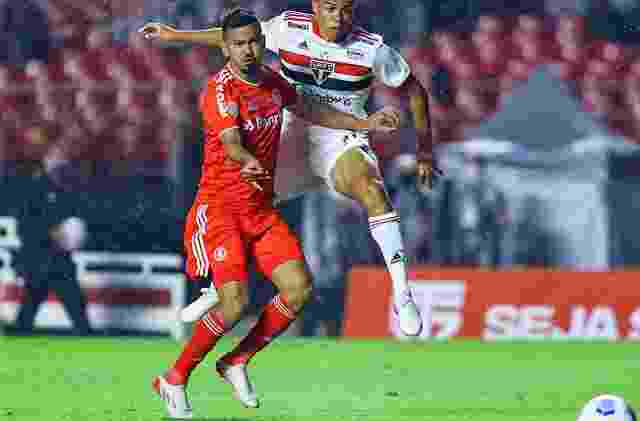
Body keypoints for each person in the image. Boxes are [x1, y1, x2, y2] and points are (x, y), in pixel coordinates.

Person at [139, 0, 441, 337]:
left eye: (345, 9)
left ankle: (402, 294)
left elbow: (414, 88)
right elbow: (234, 36)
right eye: (330, 8)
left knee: (373, 192)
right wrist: (176, 34)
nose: (338, 17)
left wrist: (425, 150)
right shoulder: (288, 27)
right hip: (286, 133)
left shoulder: (371, 49)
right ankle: (216, 285)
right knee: (238, 204)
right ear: (315, 6)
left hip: (340, 135)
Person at [151, 11, 400, 418]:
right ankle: (174, 378)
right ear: (226, 48)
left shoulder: (271, 82)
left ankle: (235, 360)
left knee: (299, 289)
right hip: (221, 211)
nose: (248, 49)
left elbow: (310, 109)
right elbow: (230, 139)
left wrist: (364, 122)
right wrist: (246, 159)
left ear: (262, 43)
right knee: (235, 303)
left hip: (260, 212)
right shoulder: (219, 90)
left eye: (254, 42)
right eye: (239, 44)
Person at [10, 127, 92, 336]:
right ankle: (19, 333)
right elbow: (24, 225)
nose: (60, 162)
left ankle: (85, 335)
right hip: (38, 258)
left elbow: (75, 220)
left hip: (60, 259)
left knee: (77, 310)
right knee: (30, 307)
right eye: (56, 156)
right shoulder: (34, 188)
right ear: (47, 160)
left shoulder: (67, 189)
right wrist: (49, 232)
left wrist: (73, 235)